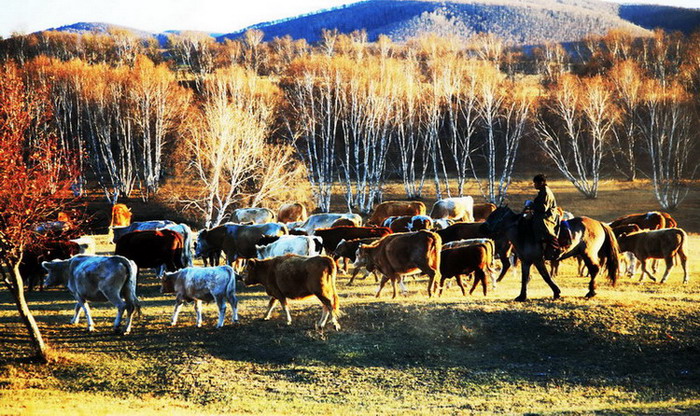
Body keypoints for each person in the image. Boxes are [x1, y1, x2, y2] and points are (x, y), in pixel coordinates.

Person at [527, 174, 561, 260]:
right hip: (542, 214)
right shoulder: (542, 191)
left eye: (535, 183)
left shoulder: (546, 192)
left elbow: (543, 208)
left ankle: (555, 248)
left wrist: (531, 204)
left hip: (547, 217)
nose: (534, 185)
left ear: (541, 183)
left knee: (541, 225)